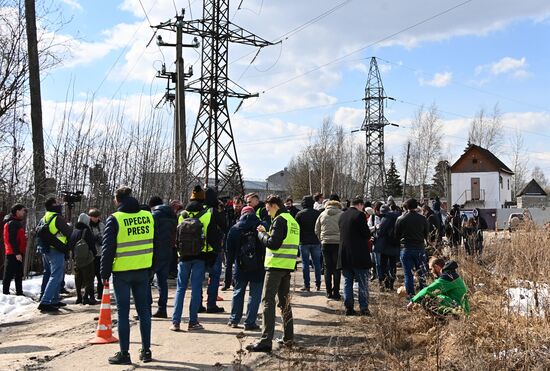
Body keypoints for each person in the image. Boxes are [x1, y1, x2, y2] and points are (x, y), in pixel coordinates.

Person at [101, 186, 157, 365]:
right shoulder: (148, 216)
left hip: (122, 273)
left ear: (118, 200)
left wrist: (104, 272)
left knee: (123, 314)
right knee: (144, 313)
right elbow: (156, 244)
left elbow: (107, 249)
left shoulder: (115, 219)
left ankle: (124, 353)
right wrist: (152, 268)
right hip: (143, 271)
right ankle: (146, 351)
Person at [246, 195, 300, 353]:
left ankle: (265, 341)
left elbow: (273, 244)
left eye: (268, 207)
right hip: (287, 266)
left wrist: (261, 235)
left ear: (274, 205)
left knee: (267, 301)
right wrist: (267, 232)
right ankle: (288, 337)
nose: (267, 211)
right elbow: (282, 240)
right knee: (284, 303)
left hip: (275, 266)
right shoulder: (292, 220)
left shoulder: (279, 220)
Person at [171, 185, 219, 331]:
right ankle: (193, 322)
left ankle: (176, 321)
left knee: (180, 289)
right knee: (196, 289)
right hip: (200, 257)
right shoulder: (207, 214)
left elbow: (176, 236)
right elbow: (212, 238)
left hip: (183, 257)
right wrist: (213, 254)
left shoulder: (182, 214)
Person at [226, 206, 265, 330]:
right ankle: (249, 322)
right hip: (258, 266)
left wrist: (229, 272)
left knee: (238, 293)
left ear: (242, 214)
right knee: (255, 295)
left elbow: (229, 252)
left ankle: (234, 320)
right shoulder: (261, 227)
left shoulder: (235, 228)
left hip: (240, 266)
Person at [338, 197, 372, 316]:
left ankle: (349, 307)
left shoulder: (342, 215)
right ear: (360, 205)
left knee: (348, 281)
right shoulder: (360, 215)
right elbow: (366, 234)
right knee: (362, 282)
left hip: (344, 254)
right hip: (359, 254)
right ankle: (363, 308)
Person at [38, 197, 72, 313]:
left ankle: (54, 299)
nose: (60, 205)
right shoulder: (57, 218)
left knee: (48, 274)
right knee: (56, 276)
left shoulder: (44, 217)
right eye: (57, 203)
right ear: (53, 205)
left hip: (46, 250)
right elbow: (69, 233)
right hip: (56, 250)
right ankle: (46, 302)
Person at [395, 198, 429, 299]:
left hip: (406, 248)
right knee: (422, 273)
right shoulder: (422, 219)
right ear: (416, 206)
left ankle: (410, 296)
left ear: (406, 207)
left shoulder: (400, 219)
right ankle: (423, 294)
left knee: (408, 274)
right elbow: (426, 233)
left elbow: (396, 235)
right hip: (419, 248)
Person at [149, 196, 177, 318]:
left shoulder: (154, 215)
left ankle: (145, 310)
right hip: (168, 251)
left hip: (155, 252)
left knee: (146, 282)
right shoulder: (172, 215)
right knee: (162, 282)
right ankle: (162, 309)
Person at [315, 197, 343, 299]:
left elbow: (316, 229)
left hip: (325, 243)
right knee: (337, 268)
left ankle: (328, 292)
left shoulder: (322, 214)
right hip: (338, 243)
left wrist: (321, 240)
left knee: (327, 268)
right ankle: (336, 292)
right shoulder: (341, 214)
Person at [295, 195, 322, 292]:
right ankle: (318, 284)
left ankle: (307, 285)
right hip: (315, 241)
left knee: (305, 264)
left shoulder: (299, 214)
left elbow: (296, 228)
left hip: (303, 241)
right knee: (317, 263)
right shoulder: (318, 213)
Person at [70, 213, 97, 305]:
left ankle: (79, 297)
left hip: (77, 259)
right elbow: (91, 244)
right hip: (87, 259)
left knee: (78, 279)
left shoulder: (74, 231)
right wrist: (94, 253)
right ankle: (86, 297)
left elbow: (71, 245)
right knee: (89, 278)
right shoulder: (87, 231)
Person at [3, 204, 27, 296]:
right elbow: (11, 239)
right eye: (22, 210)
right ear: (17, 211)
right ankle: (5, 293)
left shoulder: (15, 222)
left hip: (15, 251)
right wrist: (17, 253)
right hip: (13, 252)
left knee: (18, 273)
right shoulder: (13, 223)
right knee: (9, 273)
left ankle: (19, 292)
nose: (24, 212)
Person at [374, 204, 400, 291]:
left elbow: (380, 232)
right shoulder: (397, 217)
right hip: (394, 244)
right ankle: (392, 284)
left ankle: (386, 284)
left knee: (383, 265)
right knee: (393, 266)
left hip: (384, 245)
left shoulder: (386, 218)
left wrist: (376, 232)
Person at [222, 196, 244, 291]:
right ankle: (227, 283)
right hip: (228, 240)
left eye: (240, 206)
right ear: (233, 204)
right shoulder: (228, 213)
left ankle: (235, 282)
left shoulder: (244, 214)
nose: (238, 208)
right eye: (236, 206)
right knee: (228, 264)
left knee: (237, 263)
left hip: (240, 241)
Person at [88, 208, 105, 300]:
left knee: (100, 275)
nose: (95, 219)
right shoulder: (87, 225)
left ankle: (100, 294)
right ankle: (90, 295)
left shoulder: (101, 225)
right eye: (93, 217)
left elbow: (105, 236)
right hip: (90, 254)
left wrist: (101, 239)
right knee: (90, 276)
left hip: (100, 253)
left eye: (97, 217)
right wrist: (92, 239)